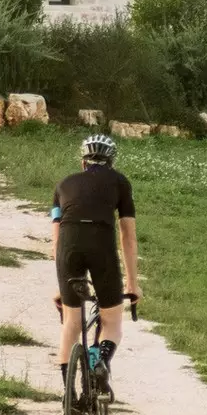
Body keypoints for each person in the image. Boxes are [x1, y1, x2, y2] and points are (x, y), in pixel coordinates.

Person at [52, 133, 141, 394]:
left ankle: (69, 396)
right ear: (111, 162)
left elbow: (56, 240)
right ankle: (101, 360)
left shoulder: (62, 185)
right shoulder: (120, 183)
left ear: (83, 162)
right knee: (111, 320)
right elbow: (128, 236)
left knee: (71, 322)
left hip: (68, 247)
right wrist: (132, 283)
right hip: (101, 245)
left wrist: (61, 285)